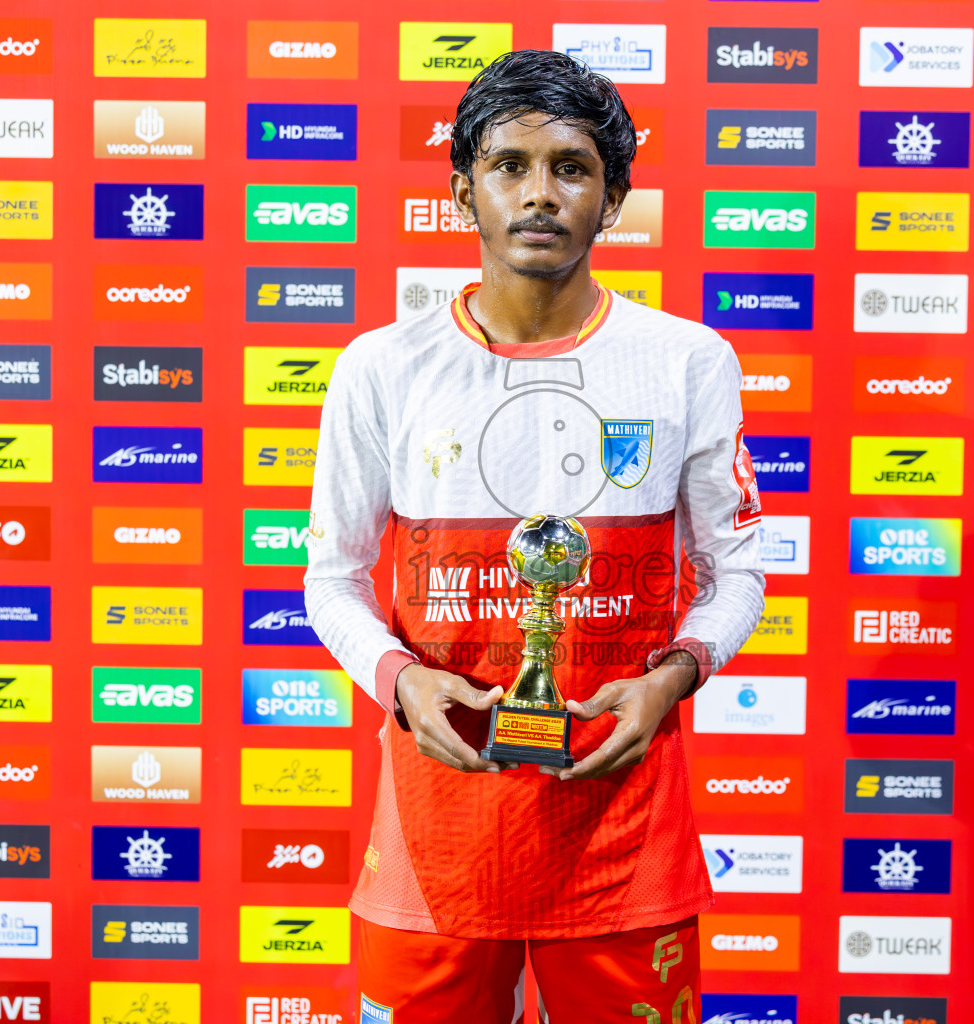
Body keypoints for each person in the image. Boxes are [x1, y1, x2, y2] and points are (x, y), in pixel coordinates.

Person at [303, 48, 767, 1024]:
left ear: (615, 195)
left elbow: (738, 570)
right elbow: (332, 577)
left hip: (622, 827)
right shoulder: (382, 367)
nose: (540, 194)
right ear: (463, 189)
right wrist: (400, 679)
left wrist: (672, 675)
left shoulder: (687, 362)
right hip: (440, 836)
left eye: (571, 167)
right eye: (510, 166)